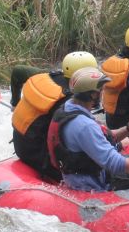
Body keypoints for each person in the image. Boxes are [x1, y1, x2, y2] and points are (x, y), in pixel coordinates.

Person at [48, 67, 129, 192]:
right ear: (93, 95)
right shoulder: (84, 126)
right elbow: (113, 163)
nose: (103, 93)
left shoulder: (69, 107)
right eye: (102, 90)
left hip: (87, 172)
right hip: (93, 182)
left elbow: (105, 136)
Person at [11, 51, 98, 181]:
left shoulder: (46, 76)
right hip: (39, 157)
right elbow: (78, 137)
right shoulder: (71, 102)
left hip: (20, 145)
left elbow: (18, 71)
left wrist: (15, 102)